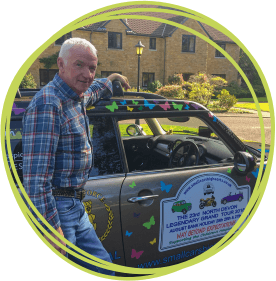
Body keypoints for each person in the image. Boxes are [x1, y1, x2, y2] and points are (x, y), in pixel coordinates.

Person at [22, 37, 130, 275]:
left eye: (92, 68)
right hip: (57, 210)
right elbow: (36, 179)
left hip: (74, 206)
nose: (87, 74)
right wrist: (50, 229)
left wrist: (109, 79)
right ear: (61, 65)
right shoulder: (48, 105)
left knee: (104, 270)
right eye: (79, 65)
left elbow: (92, 91)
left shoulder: (74, 96)